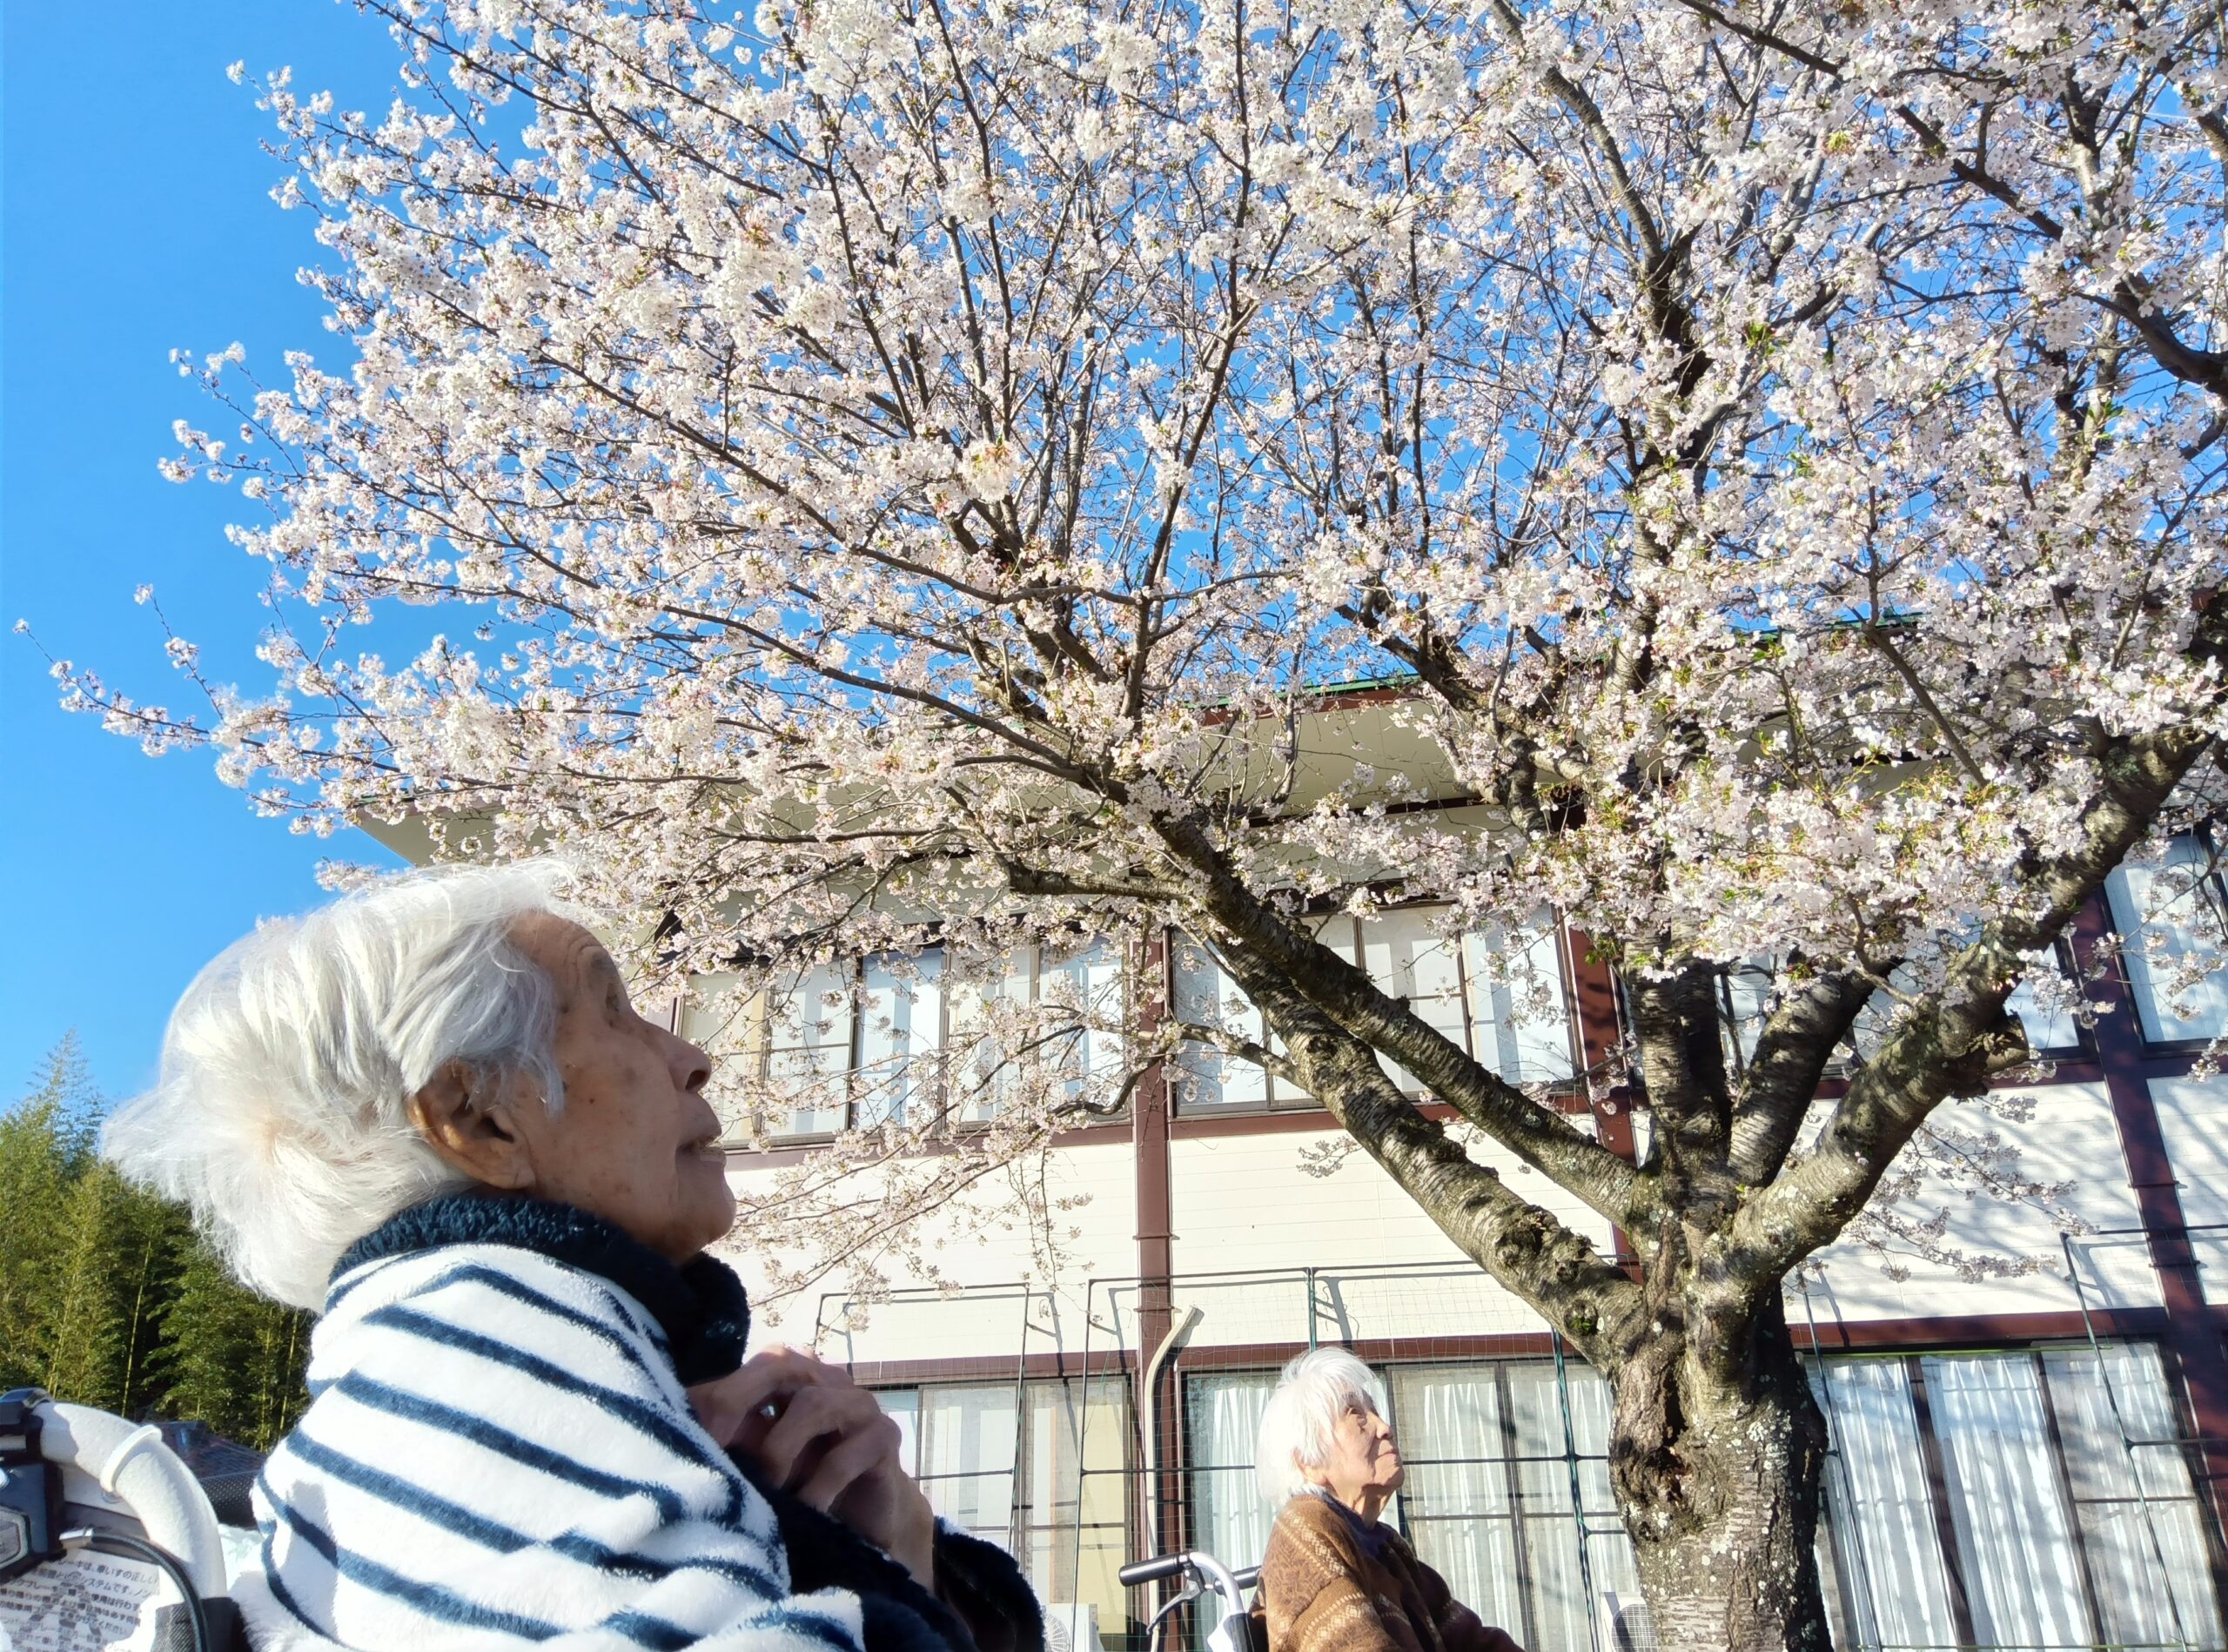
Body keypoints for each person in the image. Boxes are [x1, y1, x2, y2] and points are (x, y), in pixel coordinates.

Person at [104, 861, 1040, 1652]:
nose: (689, 1056)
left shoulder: (498, 1350)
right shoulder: (473, 1340)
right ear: (479, 1118)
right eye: (616, 1011)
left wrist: (891, 1550)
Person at [1252, 1350, 1524, 1652]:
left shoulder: (1386, 1549)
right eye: (1355, 1414)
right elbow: (1356, 1645)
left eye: (1375, 1412)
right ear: (1309, 1463)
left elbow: (1470, 1639)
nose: (1384, 1427)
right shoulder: (1305, 1533)